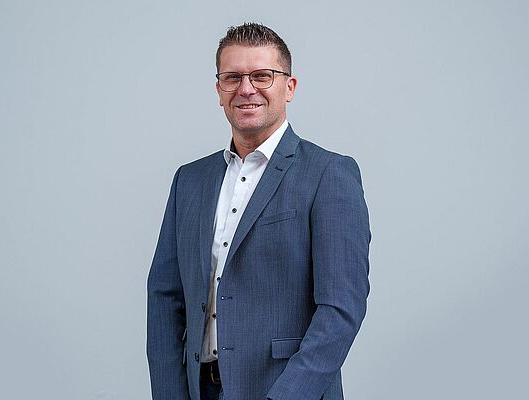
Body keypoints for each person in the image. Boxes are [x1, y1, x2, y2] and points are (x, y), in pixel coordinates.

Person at [147, 22, 371, 400]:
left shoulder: (328, 174)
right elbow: (164, 299)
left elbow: (341, 310)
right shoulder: (190, 180)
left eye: (262, 76)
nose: (246, 88)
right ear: (219, 91)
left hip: (286, 391)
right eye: (233, 77)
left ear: (289, 87)